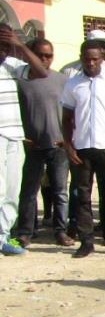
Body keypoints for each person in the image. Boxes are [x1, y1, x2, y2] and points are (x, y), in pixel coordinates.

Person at [61, 39, 105, 258]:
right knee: (82, 197)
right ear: (81, 57)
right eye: (87, 58)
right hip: (82, 149)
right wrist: (68, 145)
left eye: (95, 59)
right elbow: (66, 118)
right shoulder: (73, 84)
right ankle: (86, 242)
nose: (91, 63)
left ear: (102, 59)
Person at [14, 37, 72, 248]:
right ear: (30, 55)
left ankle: (60, 231)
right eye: (41, 55)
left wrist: (67, 139)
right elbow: (16, 113)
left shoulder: (62, 80)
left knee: (60, 191)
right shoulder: (21, 81)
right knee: (29, 191)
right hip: (32, 146)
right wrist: (23, 137)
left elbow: (71, 113)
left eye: (49, 56)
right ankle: (26, 232)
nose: (46, 59)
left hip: (58, 146)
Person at [1, 24, 46, 256]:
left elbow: (41, 72)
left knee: (11, 190)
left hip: (14, 135)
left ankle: (3, 237)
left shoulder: (13, 64)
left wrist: (19, 46)